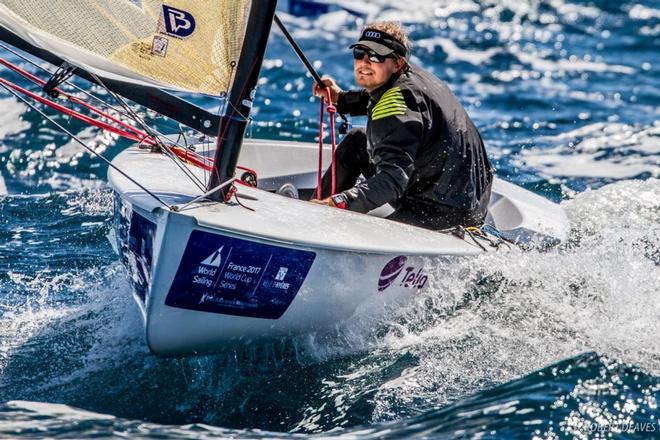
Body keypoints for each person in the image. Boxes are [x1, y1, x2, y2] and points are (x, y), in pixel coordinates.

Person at [310, 22, 493, 230]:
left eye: (377, 56)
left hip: (443, 212)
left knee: (367, 234)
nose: (365, 62)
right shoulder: (413, 79)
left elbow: (392, 180)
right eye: (360, 53)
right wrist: (341, 100)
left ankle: (318, 214)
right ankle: (314, 213)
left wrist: (339, 202)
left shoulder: (396, 103)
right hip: (470, 197)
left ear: (397, 63)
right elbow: (385, 98)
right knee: (358, 141)